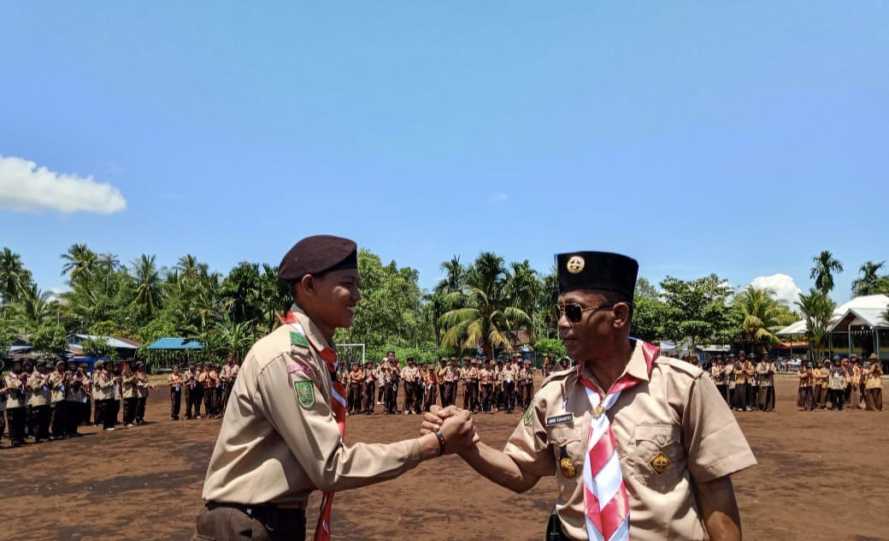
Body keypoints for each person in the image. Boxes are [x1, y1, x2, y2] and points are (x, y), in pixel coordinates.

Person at [424, 251, 755, 540]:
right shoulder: (554, 395)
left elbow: (715, 490)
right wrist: (468, 446)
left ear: (619, 316)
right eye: (559, 312)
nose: (561, 324)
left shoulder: (683, 386)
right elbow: (522, 472)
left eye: (574, 311)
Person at [195, 235, 476, 541]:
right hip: (246, 526)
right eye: (348, 284)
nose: (357, 296)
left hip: (268, 521)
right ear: (309, 286)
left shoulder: (310, 353)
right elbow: (330, 467)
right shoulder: (288, 356)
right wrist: (431, 444)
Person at [4, 362, 27, 446]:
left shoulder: (22, 376)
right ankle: (14, 440)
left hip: (21, 403)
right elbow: (11, 386)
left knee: (21, 421)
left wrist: (24, 380)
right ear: (12, 367)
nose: (18, 367)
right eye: (16, 365)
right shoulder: (8, 376)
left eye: (19, 365)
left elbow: (26, 387)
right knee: (13, 423)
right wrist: (19, 379)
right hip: (12, 403)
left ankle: (20, 438)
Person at [28, 361, 52, 442]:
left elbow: (50, 386)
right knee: (37, 421)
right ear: (38, 367)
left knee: (46, 420)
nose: (44, 368)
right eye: (41, 366)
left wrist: (48, 381)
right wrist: (43, 381)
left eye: (44, 366)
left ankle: (45, 435)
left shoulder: (45, 375)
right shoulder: (33, 376)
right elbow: (35, 388)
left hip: (46, 401)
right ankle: (36, 436)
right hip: (37, 402)